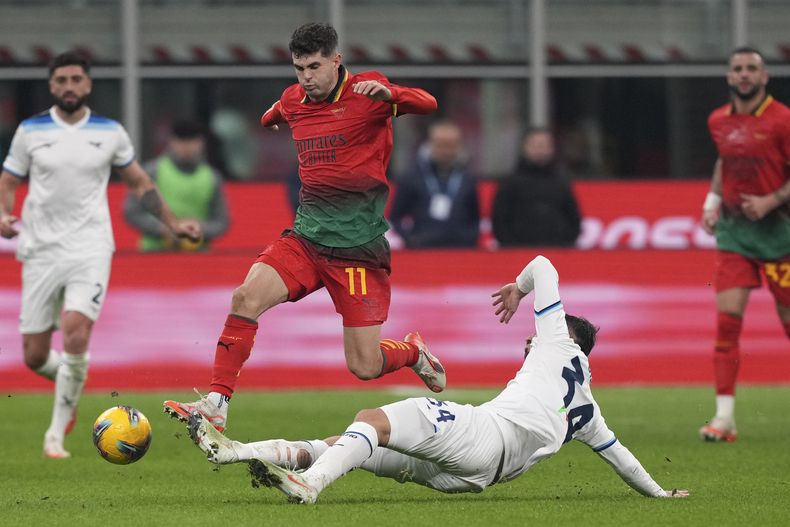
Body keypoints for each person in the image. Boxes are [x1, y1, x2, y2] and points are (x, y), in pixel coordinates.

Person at [184, 255, 689, 504]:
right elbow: (623, 458)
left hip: (481, 435)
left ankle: (310, 486)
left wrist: (517, 289)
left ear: (563, 335)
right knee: (350, 444)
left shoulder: (558, 338)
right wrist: (661, 495)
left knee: (369, 418)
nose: (528, 343)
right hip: (472, 479)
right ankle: (239, 452)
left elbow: (544, 265)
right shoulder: (588, 408)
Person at [163, 22, 442, 433]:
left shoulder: (369, 93)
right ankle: (216, 404)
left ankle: (413, 352)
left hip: (357, 249)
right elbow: (271, 114)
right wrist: (274, 117)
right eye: (299, 68)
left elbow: (429, 103)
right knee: (245, 297)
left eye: (314, 66)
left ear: (336, 60)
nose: (306, 77)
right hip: (306, 240)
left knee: (364, 366)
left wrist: (393, 95)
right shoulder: (294, 100)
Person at [0, 52, 201, 459]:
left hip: (90, 247)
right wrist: (4, 212)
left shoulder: (109, 132)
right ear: (52, 85)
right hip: (39, 249)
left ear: (88, 84)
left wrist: (172, 223)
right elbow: (8, 180)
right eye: (61, 80)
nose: (69, 86)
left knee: (76, 331)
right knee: (35, 355)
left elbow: (140, 182)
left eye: (76, 78)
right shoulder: (30, 131)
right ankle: (69, 379)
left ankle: (56, 434)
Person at [699, 46, 790, 442]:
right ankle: (724, 419)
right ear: (729, 76)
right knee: (726, 324)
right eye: (737, 68)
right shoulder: (718, 120)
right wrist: (712, 202)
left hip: (780, 236)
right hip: (735, 235)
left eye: (751, 68)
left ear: (764, 76)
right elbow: (724, 161)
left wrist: (772, 200)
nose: (744, 74)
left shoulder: (783, 120)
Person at [124, 120, 230, 252]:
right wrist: (164, 228)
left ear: (201, 143)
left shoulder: (212, 177)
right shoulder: (152, 171)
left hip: (198, 257)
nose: (186, 147)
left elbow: (222, 222)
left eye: (191, 142)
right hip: (154, 254)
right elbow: (132, 212)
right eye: (181, 141)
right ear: (172, 142)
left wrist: (200, 228)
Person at [389, 120, 480, 248]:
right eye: (441, 145)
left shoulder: (467, 177)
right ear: (430, 144)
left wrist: (468, 238)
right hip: (423, 250)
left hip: (460, 249)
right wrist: (411, 239)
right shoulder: (412, 176)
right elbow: (396, 216)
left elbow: (475, 217)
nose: (446, 151)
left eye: (451, 145)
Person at [492, 128, 581, 247]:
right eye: (535, 145)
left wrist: (564, 245)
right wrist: (511, 247)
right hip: (518, 254)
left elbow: (573, 219)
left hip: (555, 253)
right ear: (524, 147)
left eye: (544, 145)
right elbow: (499, 220)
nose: (540, 150)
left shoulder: (561, 182)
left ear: (552, 149)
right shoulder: (510, 183)